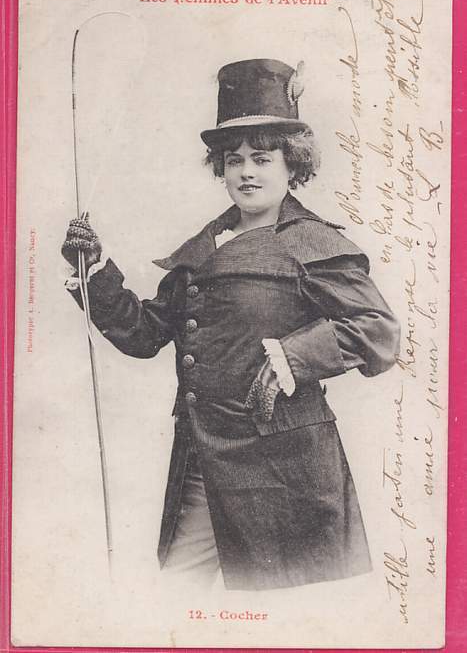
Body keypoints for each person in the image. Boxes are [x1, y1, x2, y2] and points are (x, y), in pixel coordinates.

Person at [62, 58, 400, 591]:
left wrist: (292, 356)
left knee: (290, 612)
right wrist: (95, 271)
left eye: (262, 159)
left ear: (292, 165)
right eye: (233, 160)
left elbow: (378, 331)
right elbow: (146, 334)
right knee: (174, 593)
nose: (246, 172)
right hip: (205, 456)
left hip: (286, 470)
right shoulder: (206, 245)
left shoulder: (314, 243)